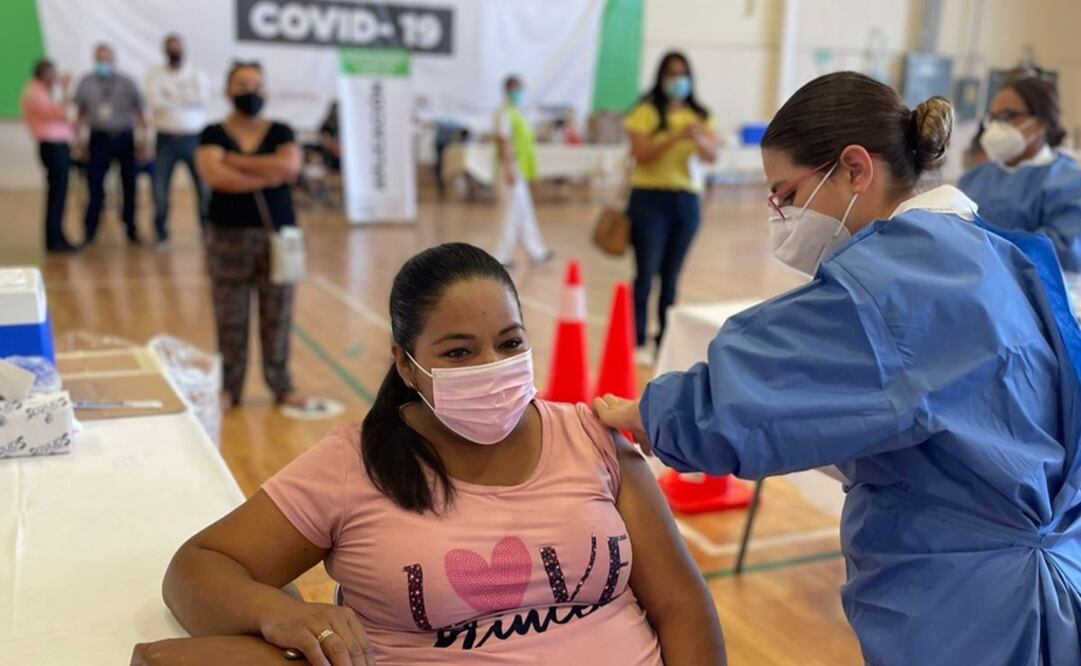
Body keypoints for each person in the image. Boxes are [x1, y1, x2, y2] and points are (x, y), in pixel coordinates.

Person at [594, 72, 1081, 665]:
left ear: (854, 168)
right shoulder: (991, 250)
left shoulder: (897, 279)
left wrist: (648, 412)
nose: (783, 218)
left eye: (788, 196)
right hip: (1036, 572)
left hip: (973, 605)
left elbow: (748, 392)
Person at [151, 243, 726, 666]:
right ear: (406, 363)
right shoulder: (357, 463)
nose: (490, 368)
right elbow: (196, 568)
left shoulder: (594, 439)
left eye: (509, 343)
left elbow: (681, 606)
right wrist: (279, 612)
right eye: (458, 352)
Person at [195, 62, 305, 411]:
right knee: (231, 317)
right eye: (242, 84)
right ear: (228, 92)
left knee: (279, 314)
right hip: (227, 236)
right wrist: (267, 172)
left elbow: (290, 167)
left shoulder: (282, 130)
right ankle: (229, 389)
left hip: (279, 238)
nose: (250, 91)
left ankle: (281, 385)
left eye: (256, 84)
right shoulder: (212, 132)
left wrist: (234, 161)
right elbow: (216, 176)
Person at [624, 52, 718, 366]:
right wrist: (675, 137)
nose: (677, 80)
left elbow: (711, 155)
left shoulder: (701, 115)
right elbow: (642, 154)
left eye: (683, 74)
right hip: (650, 199)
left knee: (672, 276)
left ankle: (664, 339)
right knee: (646, 273)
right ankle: (637, 339)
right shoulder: (646, 112)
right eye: (671, 74)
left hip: (687, 201)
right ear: (661, 77)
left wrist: (699, 139)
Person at [959, 72, 1081, 279]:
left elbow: (1062, 253)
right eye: (994, 117)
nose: (997, 126)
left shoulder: (1068, 183)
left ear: (1041, 123)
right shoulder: (974, 178)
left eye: (1007, 116)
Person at [73, 43, 147, 245]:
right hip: (98, 138)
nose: (102, 63)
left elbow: (140, 113)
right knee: (95, 185)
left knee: (129, 185)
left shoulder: (127, 82)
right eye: (99, 59)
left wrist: (144, 140)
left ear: (113, 60)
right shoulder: (86, 82)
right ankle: (90, 230)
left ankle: (131, 227)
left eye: (106, 59)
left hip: (124, 137)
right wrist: (78, 141)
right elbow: (80, 114)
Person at [145, 34, 210, 248]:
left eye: (177, 47)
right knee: (160, 190)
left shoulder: (197, 74)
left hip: (194, 138)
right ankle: (162, 234)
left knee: (204, 189)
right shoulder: (156, 75)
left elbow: (201, 99)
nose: (174, 50)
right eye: (170, 47)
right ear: (164, 50)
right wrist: (183, 99)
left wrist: (170, 97)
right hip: (166, 140)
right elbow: (155, 101)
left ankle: (208, 232)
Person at [493, 75, 553, 268]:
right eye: (516, 89)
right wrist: (508, 167)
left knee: (524, 212)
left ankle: (537, 252)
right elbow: (504, 141)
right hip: (510, 169)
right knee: (511, 214)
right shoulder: (505, 113)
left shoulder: (517, 113)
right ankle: (500, 256)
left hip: (519, 170)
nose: (520, 93)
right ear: (509, 91)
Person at [21, 58, 76, 253]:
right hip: (52, 146)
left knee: (59, 193)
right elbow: (58, 112)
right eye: (53, 75)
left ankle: (57, 236)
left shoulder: (42, 91)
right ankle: (54, 239)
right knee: (57, 193)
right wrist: (66, 90)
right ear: (45, 75)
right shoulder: (35, 92)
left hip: (58, 145)